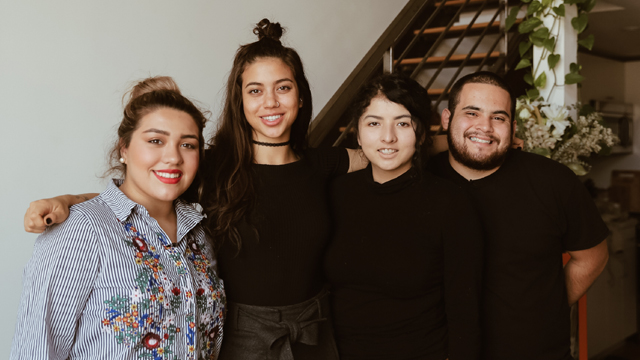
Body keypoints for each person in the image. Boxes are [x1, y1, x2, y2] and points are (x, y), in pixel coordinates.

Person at [22, 19, 366, 360]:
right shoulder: (212, 165)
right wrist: (67, 201)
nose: (270, 102)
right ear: (240, 101)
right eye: (256, 90)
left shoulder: (321, 163)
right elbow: (143, 193)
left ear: (301, 97)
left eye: (284, 88)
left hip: (313, 330)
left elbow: (378, 155)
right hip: (243, 336)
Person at [11, 76, 226, 360]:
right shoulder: (82, 230)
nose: (173, 157)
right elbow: (36, 349)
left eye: (188, 145)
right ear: (124, 148)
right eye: (155, 140)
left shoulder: (200, 233)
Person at [427, 71, 609, 360]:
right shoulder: (420, 179)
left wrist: (548, 307)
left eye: (498, 118)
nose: (484, 127)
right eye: (472, 113)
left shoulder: (553, 181)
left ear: (512, 128)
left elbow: (592, 257)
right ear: (447, 119)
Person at [324, 74, 482, 360]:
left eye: (402, 123)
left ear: (421, 133)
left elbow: (465, 310)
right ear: (358, 134)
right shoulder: (335, 194)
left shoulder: (449, 202)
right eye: (374, 123)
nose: (388, 137)